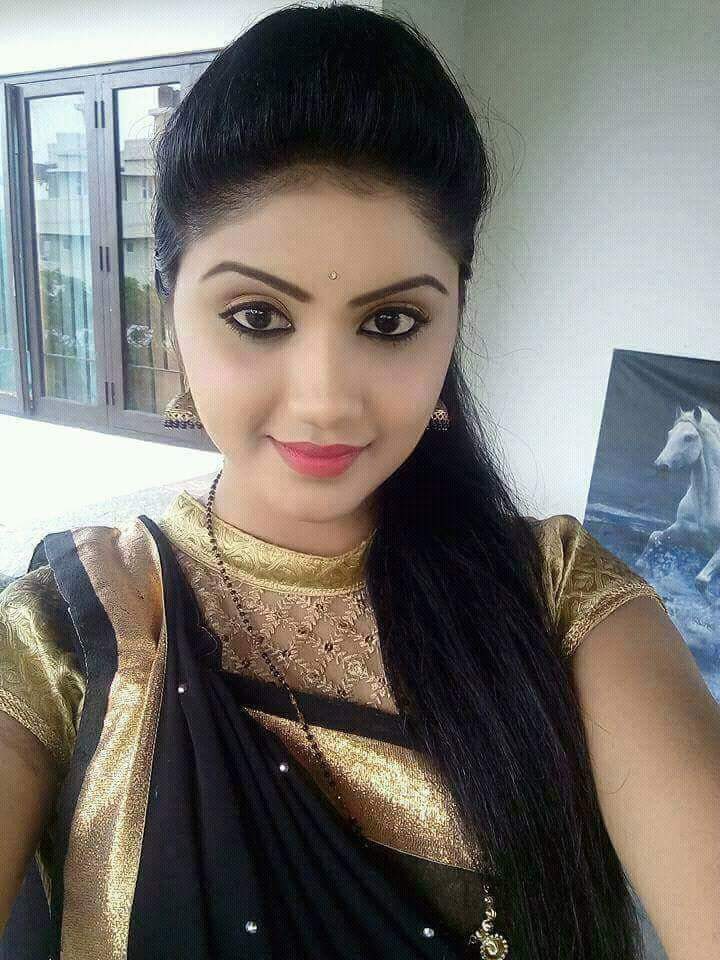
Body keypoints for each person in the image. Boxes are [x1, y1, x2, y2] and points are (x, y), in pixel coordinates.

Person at [0, 4, 712, 959]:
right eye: (257, 316)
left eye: (390, 323)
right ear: (171, 314)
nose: (327, 402)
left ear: (452, 320)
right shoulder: (68, 635)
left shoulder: (562, 601)